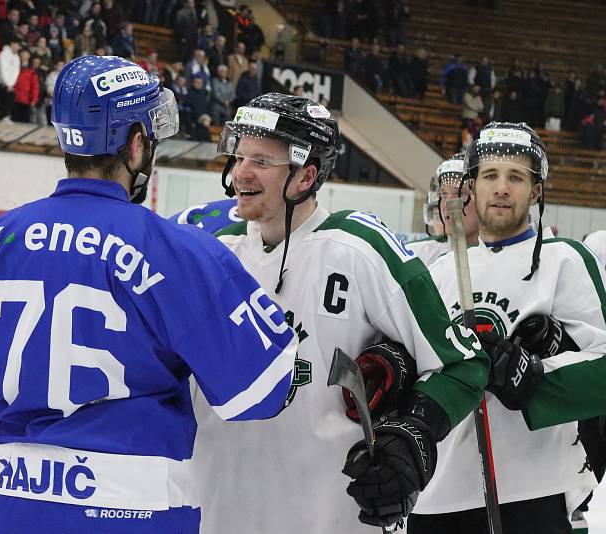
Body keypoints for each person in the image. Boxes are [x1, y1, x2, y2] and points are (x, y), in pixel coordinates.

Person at [0, 55, 298, 534]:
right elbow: (261, 392)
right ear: (135, 144)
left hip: (15, 510)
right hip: (137, 515)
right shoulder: (176, 249)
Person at [191, 93, 490, 534]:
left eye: (261, 160)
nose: (240, 172)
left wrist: (413, 435)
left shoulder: (361, 248)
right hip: (220, 511)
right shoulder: (210, 252)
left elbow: (462, 364)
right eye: (238, 156)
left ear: (304, 176)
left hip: (332, 516)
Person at [411, 122, 606, 534]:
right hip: (438, 493)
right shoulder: (439, 272)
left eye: (516, 177)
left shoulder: (563, 261)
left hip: (531, 491)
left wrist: (534, 376)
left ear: (535, 191)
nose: (501, 188)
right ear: (472, 187)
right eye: (490, 176)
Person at [407, 153, 476, 268]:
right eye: (444, 194)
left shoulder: (508, 261)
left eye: (461, 194)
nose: (447, 204)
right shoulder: (416, 257)